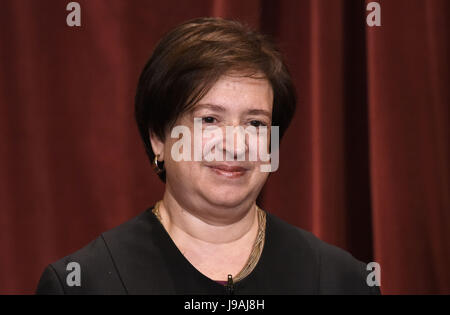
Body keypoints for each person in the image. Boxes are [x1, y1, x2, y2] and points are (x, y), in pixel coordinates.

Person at [36, 17, 380, 295]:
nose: (235, 144)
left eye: (256, 123)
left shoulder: (343, 281)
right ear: (158, 138)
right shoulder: (83, 283)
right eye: (210, 119)